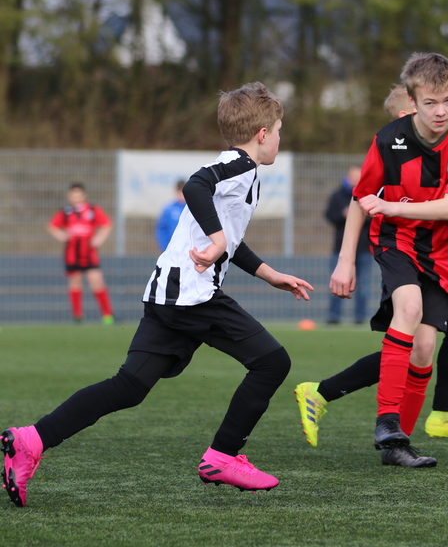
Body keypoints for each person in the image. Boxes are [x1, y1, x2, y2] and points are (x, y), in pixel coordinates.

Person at [2, 82, 313, 507]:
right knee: (272, 361)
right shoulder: (239, 166)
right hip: (190, 293)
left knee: (129, 387)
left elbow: (229, 239)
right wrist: (220, 239)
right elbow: (194, 187)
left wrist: (268, 273)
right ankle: (223, 456)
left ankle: (29, 440)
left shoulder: (239, 169)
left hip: (169, 292)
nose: (280, 137)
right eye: (279, 129)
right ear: (262, 134)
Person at [295, 84, 448, 458]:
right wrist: (345, 260)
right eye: (425, 108)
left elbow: (442, 194)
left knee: (427, 345)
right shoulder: (391, 144)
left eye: (446, 103)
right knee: (413, 319)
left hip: (441, 254)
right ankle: (407, 423)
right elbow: (363, 198)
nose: (435, 116)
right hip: (398, 244)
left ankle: (403, 431)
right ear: (408, 112)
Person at [47, 182, 116, 325]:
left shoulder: (92, 209)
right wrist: (63, 236)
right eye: (73, 195)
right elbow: (52, 226)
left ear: (83, 195)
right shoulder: (65, 212)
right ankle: (77, 315)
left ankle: (107, 315)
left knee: (96, 281)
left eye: (78, 194)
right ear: (69, 196)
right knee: (75, 282)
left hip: (89, 253)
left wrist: (99, 239)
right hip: (72, 254)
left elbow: (106, 224)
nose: (76, 197)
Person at [324, 167, 371, 325]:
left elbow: (377, 216)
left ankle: (360, 317)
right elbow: (329, 215)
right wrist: (344, 215)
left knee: (363, 285)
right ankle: (333, 316)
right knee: (337, 284)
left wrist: (359, 215)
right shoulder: (337, 196)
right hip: (340, 248)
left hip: (364, 248)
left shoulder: (369, 196)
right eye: (353, 177)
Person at [155, 179, 187, 251]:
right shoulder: (169, 209)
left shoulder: (192, 209)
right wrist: (166, 247)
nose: (182, 195)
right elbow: (161, 229)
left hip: (189, 250)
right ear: (176, 192)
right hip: (172, 249)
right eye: (180, 192)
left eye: (183, 192)